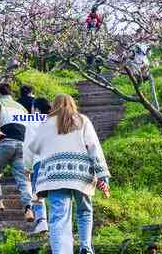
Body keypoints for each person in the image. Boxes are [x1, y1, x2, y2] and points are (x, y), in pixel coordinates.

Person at [29, 94, 111, 254]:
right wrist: (103, 176)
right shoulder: (83, 120)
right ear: (73, 104)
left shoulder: (46, 123)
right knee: (84, 211)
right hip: (81, 176)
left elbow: (35, 148)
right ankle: (85, 248)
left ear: (54, 106)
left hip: (55, 177)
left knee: (59, 217)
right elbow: (94, 148)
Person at [0, 83, 34, 222]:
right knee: (23, 179)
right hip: (23, 145)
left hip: (7, 142)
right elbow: (31, 126)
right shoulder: (21, 107)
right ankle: (28, 209)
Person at [23, 97, 52, 235]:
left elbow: (28, 146)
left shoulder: (32, 120)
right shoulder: (55, 120)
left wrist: (27, 167)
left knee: (37, 194)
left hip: (39, 161)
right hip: (56, 161)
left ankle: (41, 222)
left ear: (36, 109)